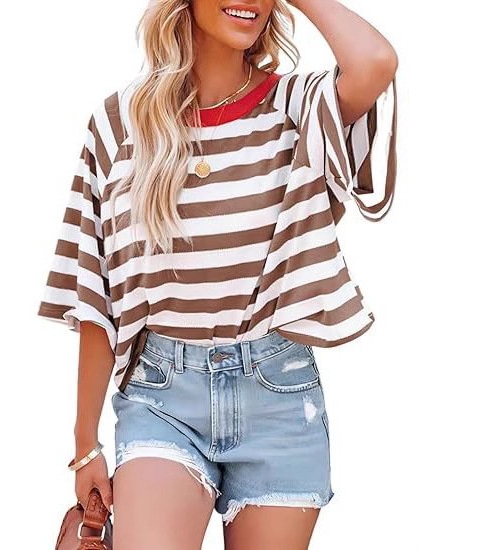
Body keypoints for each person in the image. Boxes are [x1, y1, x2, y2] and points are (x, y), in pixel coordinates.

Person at [37, 0, 398, 547]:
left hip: (278, 395)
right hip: (161, 397)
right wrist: (86, 443)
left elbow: (375, 61)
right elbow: (95, 295)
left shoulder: (297, 107)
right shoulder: (119, 123)